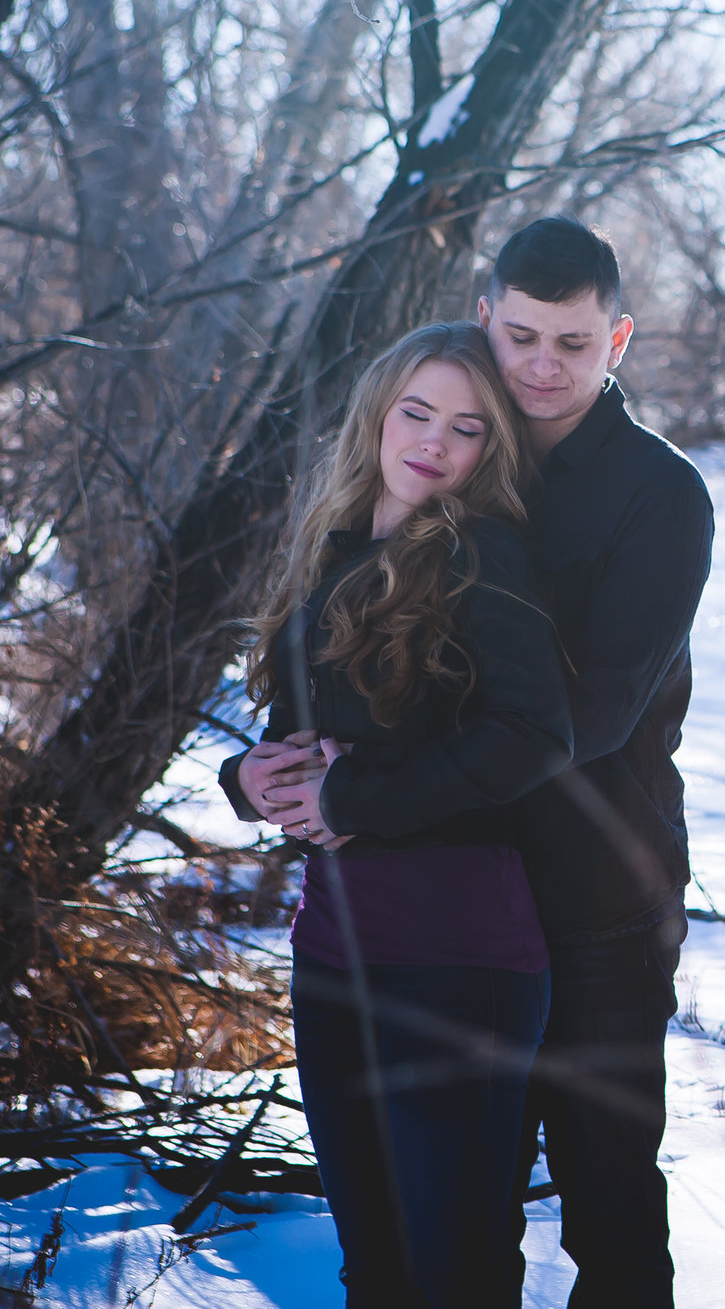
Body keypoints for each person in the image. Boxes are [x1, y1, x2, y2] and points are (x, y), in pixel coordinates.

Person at [244, 218, 715, 1309]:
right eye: (521, 336)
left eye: (574, 342)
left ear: (619, 341)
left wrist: (361, 796)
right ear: (486, 318)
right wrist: (273, 773)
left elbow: (585, 718)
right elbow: (363, 670)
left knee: (606, 1201)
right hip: (449, 900)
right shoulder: (439, 456)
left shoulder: (659, 494)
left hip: (595, 892)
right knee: (461, 1224)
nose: (543, 367)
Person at [229, 321, 578, 1309]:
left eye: (466, 427)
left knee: (453, 1274)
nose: (433, 441)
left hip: (457, 958)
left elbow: (533, 734)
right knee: (374, 1268)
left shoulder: (485, 557)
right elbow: (295, 735)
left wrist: (355, 795)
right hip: (334, 950)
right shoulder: (338, 548)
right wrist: (246, 780)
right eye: (416, 413)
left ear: (490, 450)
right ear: (378, 417)